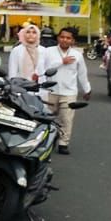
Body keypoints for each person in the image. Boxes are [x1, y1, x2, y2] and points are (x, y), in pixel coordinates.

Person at [45, 26, 91, 154]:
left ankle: (63, 143)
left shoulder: (77, 55)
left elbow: (82, 74)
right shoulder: (48, 52)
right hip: (50, 91)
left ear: (73, 41)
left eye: (68, 38)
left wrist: (87, 89)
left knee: (66, 119)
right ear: (58, 38)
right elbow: (44, 68)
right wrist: (62, 61)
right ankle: (46, 141)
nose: (64, 40)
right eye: (62, 37)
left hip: (69, 92)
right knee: (47, 118)